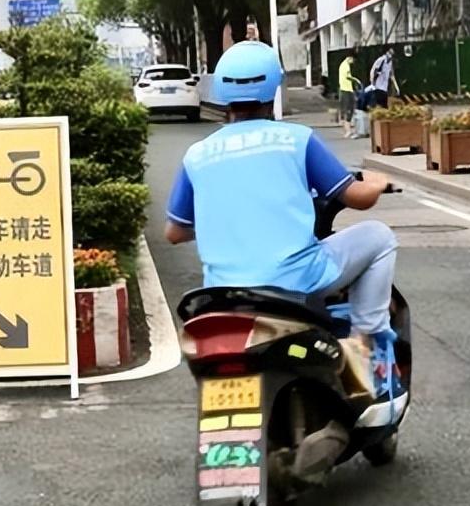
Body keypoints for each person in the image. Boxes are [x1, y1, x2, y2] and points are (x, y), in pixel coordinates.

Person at [164, 41, 404, 403]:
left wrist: (222, 215)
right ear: (273, 87)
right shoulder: (297, 140)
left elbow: (175, 231)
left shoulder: (196, 155)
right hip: (295, 282)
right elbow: (354, 197)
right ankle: (363, 341)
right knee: (380, 237)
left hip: (222, 294)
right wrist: (378, 182)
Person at [338, 52, 358, 138]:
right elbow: (347, 76)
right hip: (347, 90)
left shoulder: (343, 65)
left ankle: (348, 130)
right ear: (350, 58)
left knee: (347, 110)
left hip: (345, 89)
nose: (353, 62)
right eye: (353, 59)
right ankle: (348, 130)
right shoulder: (345, 65)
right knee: (349, 110)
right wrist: (356, 80)